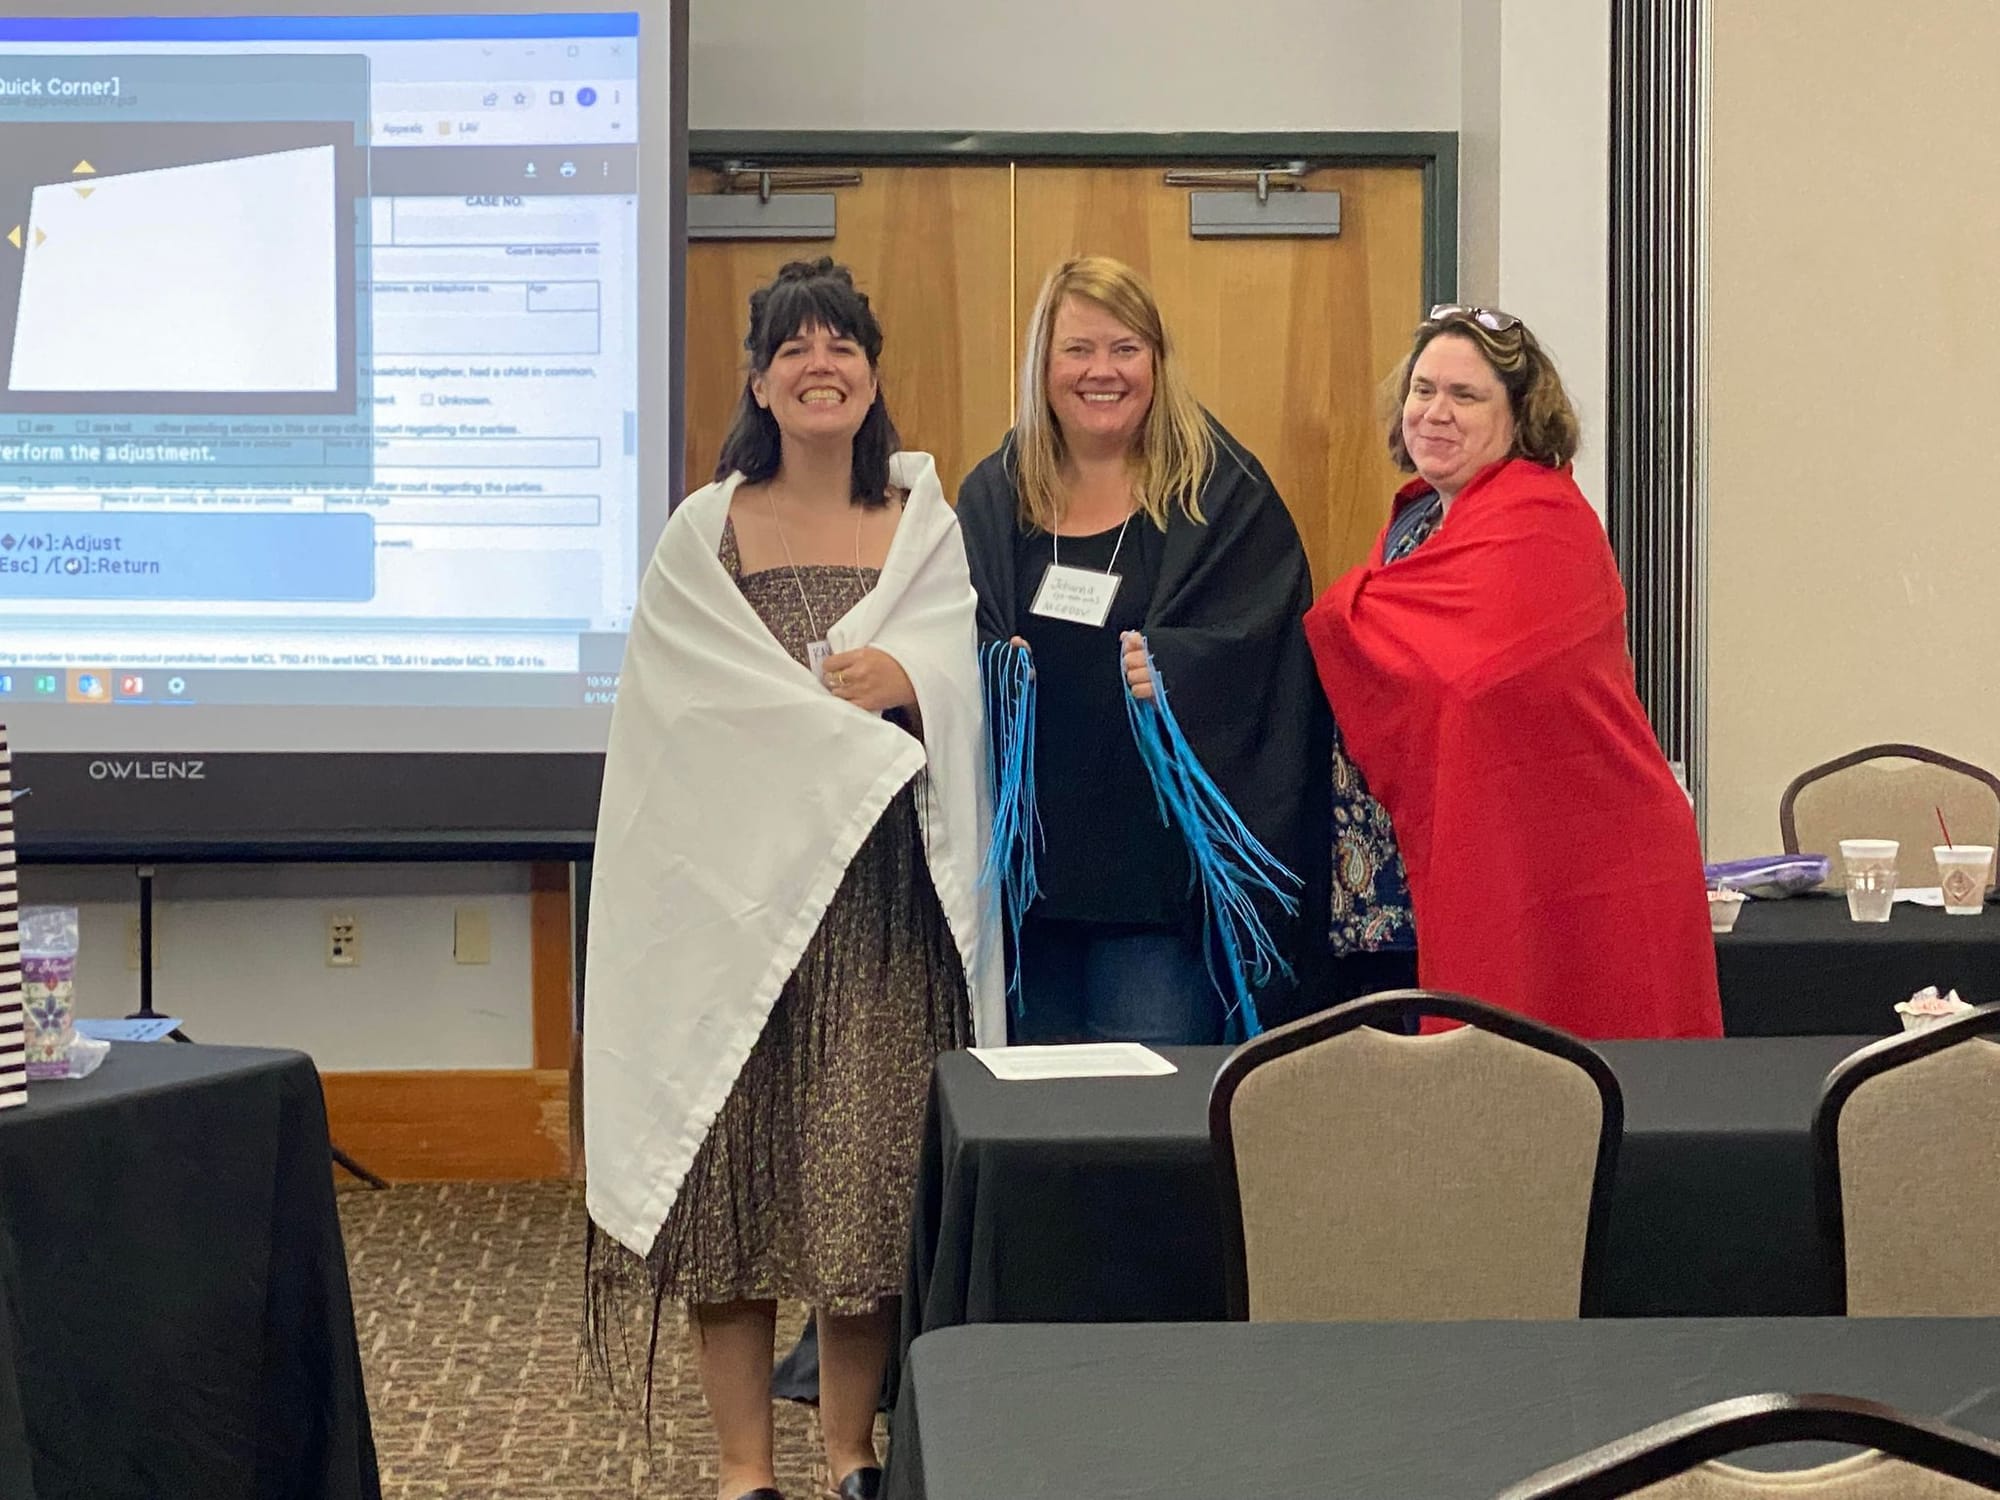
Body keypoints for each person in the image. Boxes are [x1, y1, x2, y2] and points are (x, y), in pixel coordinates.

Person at [582, 258, 1002, 1500]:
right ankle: (740, 1465)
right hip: (732, 909)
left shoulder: (924, 526)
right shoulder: (703, 530)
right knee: (735, 1186)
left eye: (843, 348)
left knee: (862, 1192)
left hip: (879, 910)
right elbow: (673, 717)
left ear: (872, 376)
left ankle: (846, 1451)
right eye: (793, 350)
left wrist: (912, 683)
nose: (820, 367)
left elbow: (965, 684)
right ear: (760, 382)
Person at [1303, 305, 1721, 1039]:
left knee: (1552, 1090)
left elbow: (1467, 670)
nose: (1435, 412)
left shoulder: (1540, 522)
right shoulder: (1420, 522)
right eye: (1423, 390)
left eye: (1465, 397)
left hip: (1582, 859)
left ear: (1521, 415)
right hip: (1448, 866)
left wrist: (1340, 614)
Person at [958, 255, 1327, 1045]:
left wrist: (1181, 670)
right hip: (1028, 902)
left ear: (1157, 361)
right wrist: (994, 666)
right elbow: (948, 640)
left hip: (1159, 901)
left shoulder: (1222, 492)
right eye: (1078, 349)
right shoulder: (995, 495)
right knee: (1036, 1135)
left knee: (1148, 1137)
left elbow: (1272, 656)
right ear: (1043, 364)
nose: (1102, 372)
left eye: (1125, 349)